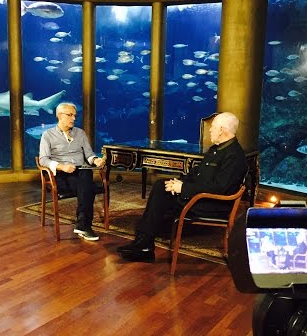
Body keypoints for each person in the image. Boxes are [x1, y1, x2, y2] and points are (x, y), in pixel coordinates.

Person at [117, 112, 248, 262]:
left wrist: (184, 188)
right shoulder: (215, 149)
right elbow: (196, 174)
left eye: (213, 127)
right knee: (162, 186)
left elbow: (219, 188)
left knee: (160, 195)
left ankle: (144, 243)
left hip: (211, 203)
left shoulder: (235, 156)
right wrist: (176, 183)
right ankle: (144, 242)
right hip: (198, 195)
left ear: (222, 130)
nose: (210, 130)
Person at [39, 102, 105, 241]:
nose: (73, 118)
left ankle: (82, 224)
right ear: (59, 116)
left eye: (74, 115)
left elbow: (89, 154)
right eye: (70, 115)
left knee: (86, 173)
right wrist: (61, 166)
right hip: (61, 175)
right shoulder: (48, 135)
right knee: (90, 187)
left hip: (80, 172)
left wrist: (95, 160)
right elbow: (43, 160)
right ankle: (84, 225)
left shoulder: (80, 133)